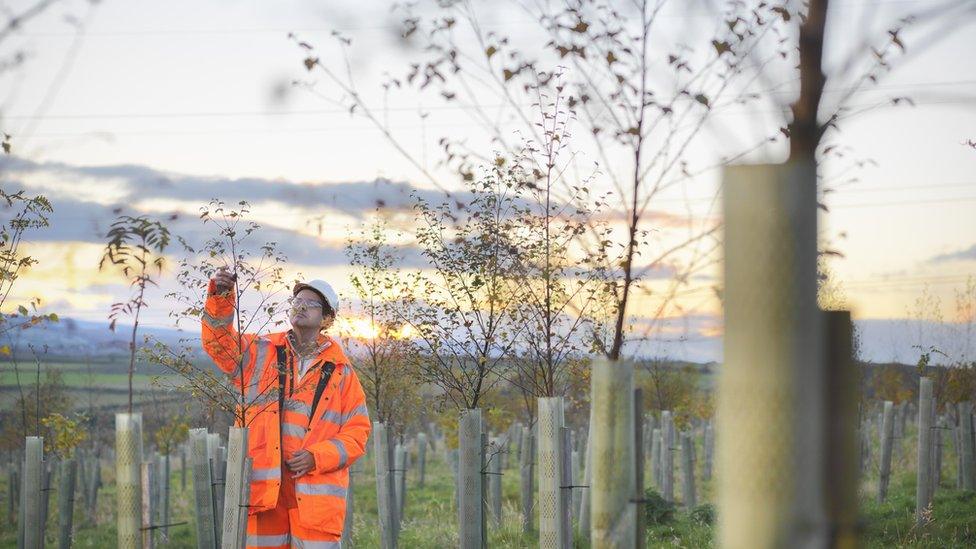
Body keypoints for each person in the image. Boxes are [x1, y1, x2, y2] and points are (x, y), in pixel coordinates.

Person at [202, 267, 370, 548]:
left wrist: (317, 457)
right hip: (265, 495)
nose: (301, 306)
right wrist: (221, 296)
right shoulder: (261, 352)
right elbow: (218, 344)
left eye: (311, 304)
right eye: (297, 302)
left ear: (327, 319)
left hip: (316, 500)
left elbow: (357, 433)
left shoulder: (341, 371)